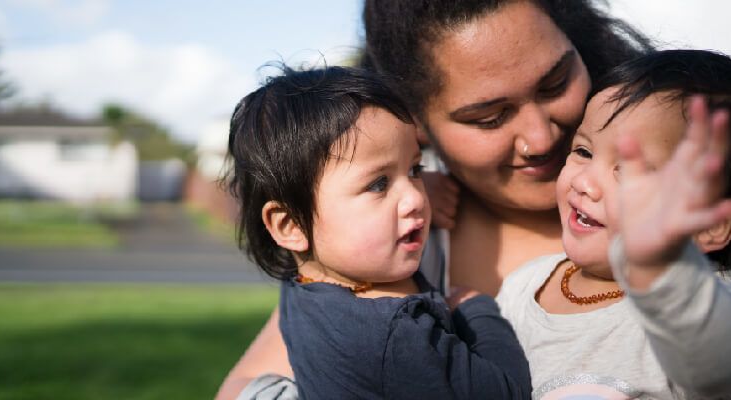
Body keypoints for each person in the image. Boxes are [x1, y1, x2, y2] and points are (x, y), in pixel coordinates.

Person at [215, 1, 652, 399]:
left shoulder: (680, 190)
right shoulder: (394, 247)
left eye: (555, 84)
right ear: (415, 121)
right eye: (489, 117)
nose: (540, 138)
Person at [224, 65, 532, 399]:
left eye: (415, 169)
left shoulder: (307, 285)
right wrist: (478, 312)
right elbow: (506, 393)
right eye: (379, 184)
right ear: (290, 225)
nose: (415, 197)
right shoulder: (394, 335)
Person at [496, 49, 731, 398]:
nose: (584, 183)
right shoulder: (524, 286)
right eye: (583, 152)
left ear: (711, 225)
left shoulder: (711, 300)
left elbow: (719, 364)